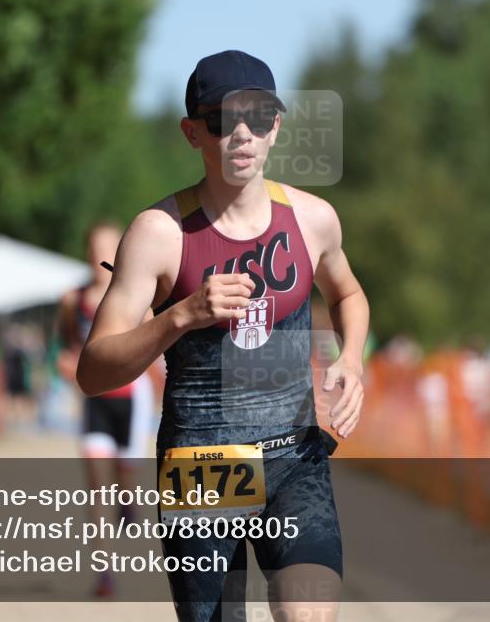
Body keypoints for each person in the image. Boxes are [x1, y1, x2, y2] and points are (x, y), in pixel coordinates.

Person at [78, 50, 369, 622]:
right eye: (221, 119)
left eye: (258, 116)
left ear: (276, 127)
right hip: (202, 466)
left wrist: (352, 358)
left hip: (294, 458)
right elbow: (94, 370)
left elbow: (349, 294)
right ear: (193, 132)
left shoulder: (313, 219)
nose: (242, 132)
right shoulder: (158, 233)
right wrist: (179, 316)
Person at [56, 219, 155, 598]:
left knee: (121, 477)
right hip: (94, 400)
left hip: (132, 398)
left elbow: (152, 339)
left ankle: (128, 496)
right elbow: (64, 344)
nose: (101, 253)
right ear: (87, 252)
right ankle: (105, 572)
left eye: (108, 246)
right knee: (97, 487)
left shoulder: (135, 296)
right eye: (95, 247)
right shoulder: (71, 299)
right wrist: (66, 363)